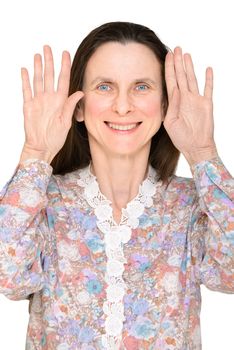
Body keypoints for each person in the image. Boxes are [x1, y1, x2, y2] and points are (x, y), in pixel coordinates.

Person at [0, 21, 233, 350]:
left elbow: (230, 273)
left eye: (141, 87)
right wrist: (35, 153)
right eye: (105, 87)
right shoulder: (43, 201)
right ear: (78, 106)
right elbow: (9, 276)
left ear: (166, 105)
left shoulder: (191, 206)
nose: (123, 106)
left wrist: (203, 153)